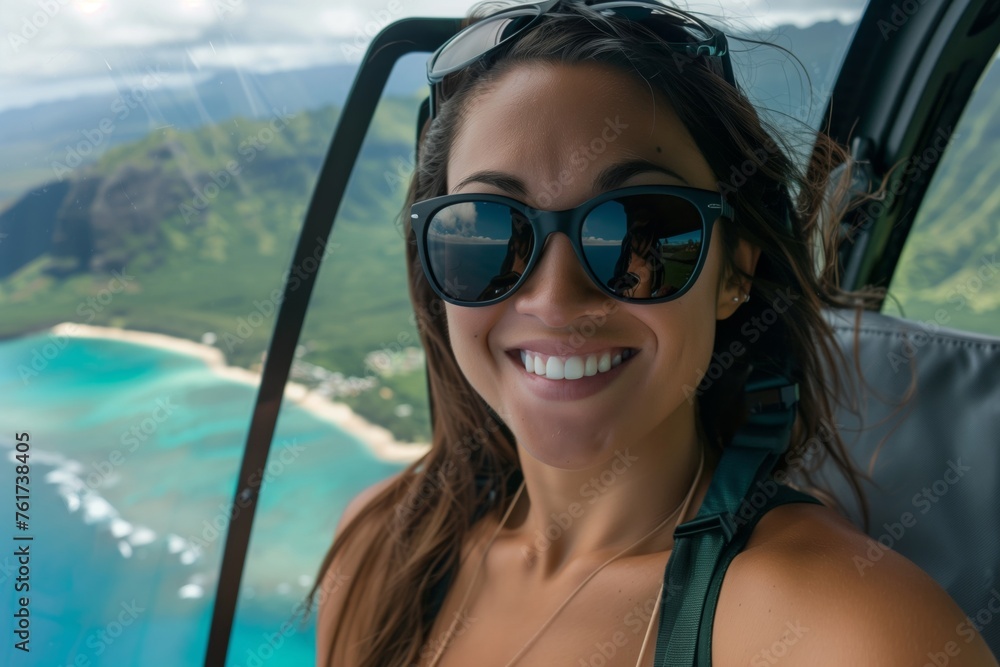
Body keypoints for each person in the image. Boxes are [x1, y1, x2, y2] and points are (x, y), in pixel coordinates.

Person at [308, 2, 1000, 665]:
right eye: (488, 233)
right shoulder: (380, 549)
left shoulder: (846, 628)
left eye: (642, 230)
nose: (555, 298)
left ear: (736, 270)